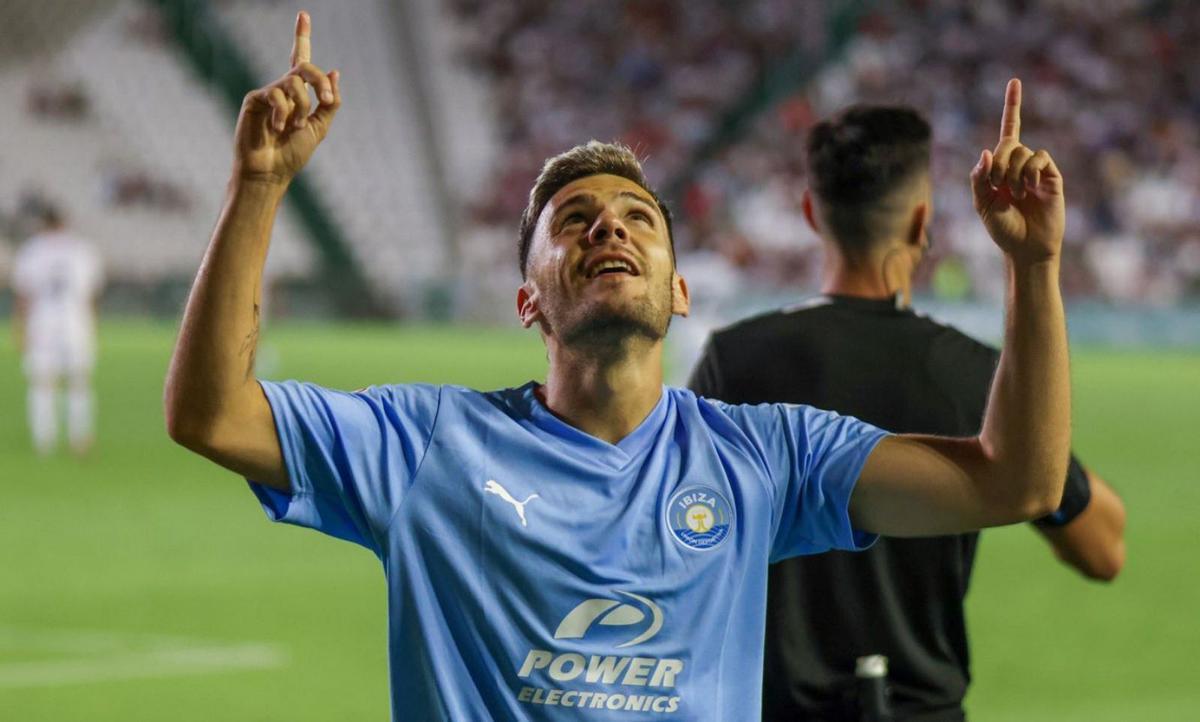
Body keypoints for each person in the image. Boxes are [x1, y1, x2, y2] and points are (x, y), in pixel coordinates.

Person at [165, 12, 1072, 721]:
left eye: (639, 219)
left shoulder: (765, 458)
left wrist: (1033, 269)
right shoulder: (425, 446)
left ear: (679, 291)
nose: (609, 226)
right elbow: (212, 416)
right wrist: (258, 185)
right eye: (573, 221)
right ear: (529, 301)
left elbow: (1017, 485)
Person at [688, 105, 1127, 722]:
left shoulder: (733, 358)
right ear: (924, 221)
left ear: (813, 215)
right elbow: (1102, 548)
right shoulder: (975, 374)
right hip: (920, 707)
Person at [11, 203, 104, 456]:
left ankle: (45, 441)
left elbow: (23, 296)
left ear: (42, 223)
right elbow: (91, 294)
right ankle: (79, 438)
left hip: (42, 323)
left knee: (42, 383)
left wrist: (19, 329)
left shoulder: (31, 250)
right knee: (78, 382)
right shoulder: (82, 250)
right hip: (75, 323)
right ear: (65, 222)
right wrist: (92, 325)